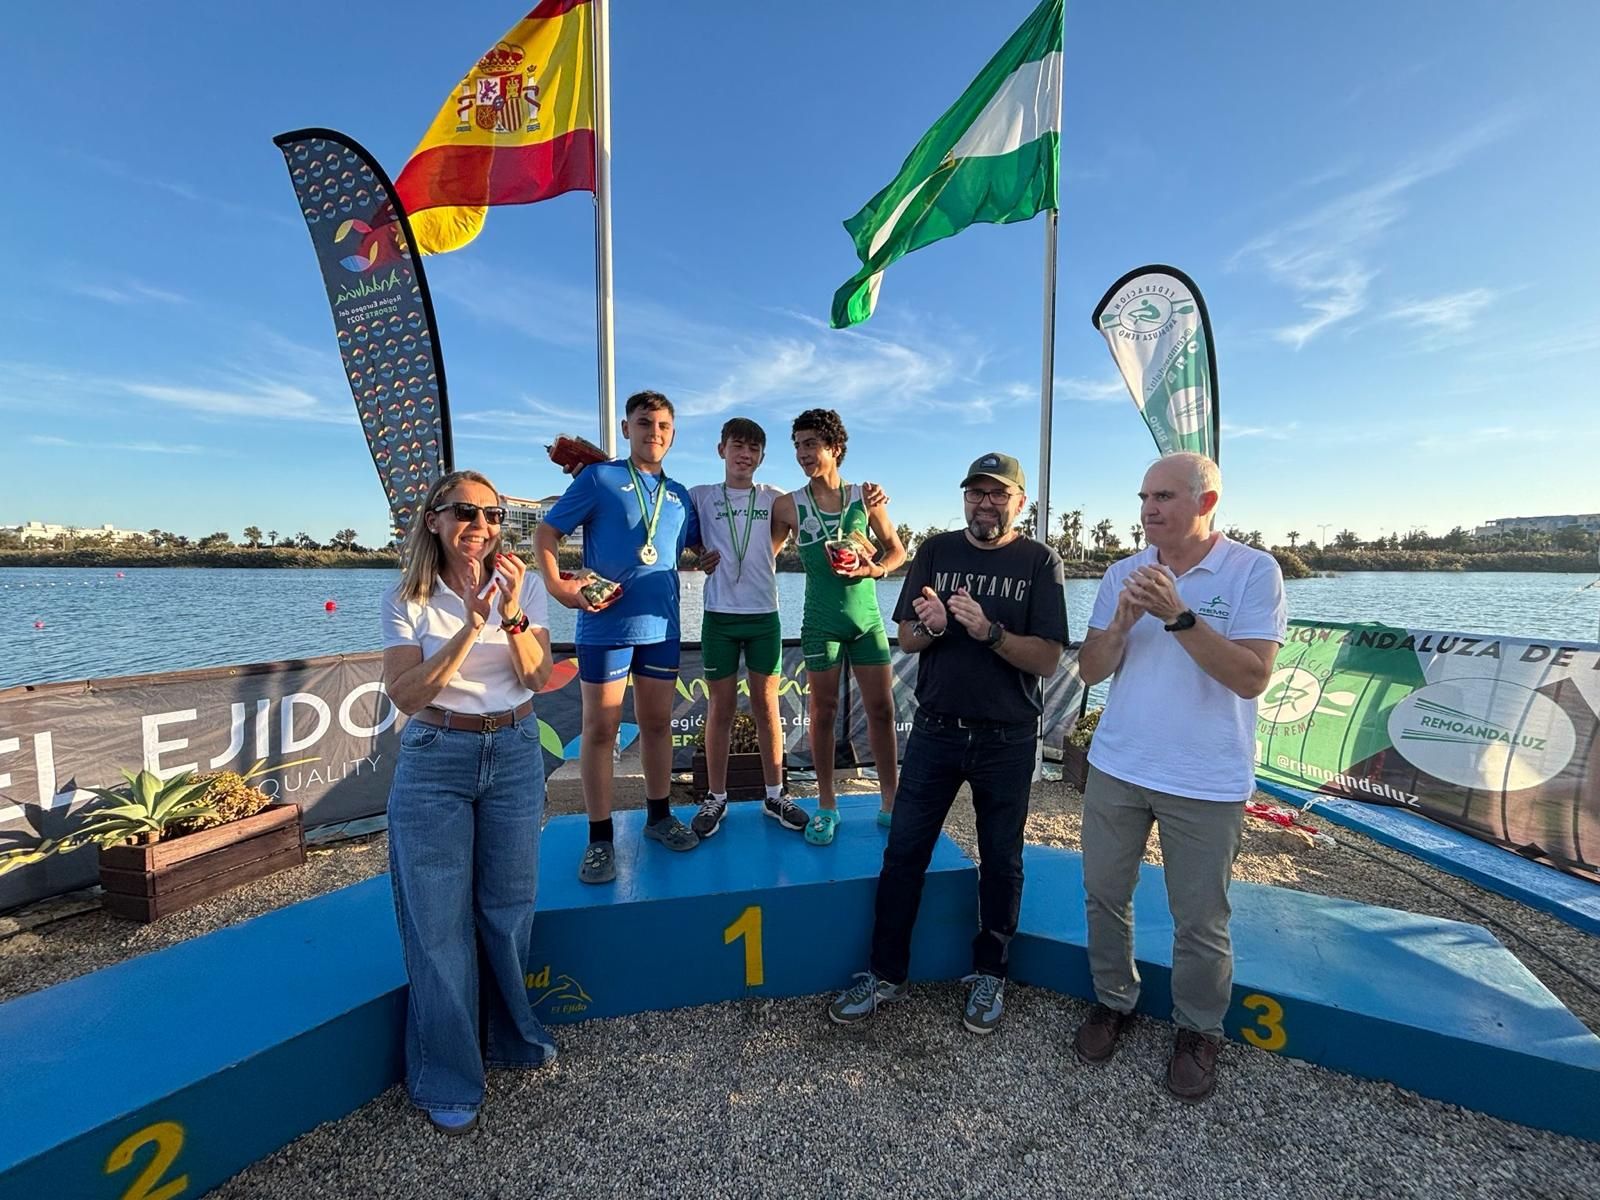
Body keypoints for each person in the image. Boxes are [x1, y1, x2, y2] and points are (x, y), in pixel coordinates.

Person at [827, 453, 1067, 1034]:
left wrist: (988, 632)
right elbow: (907, 639)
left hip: (1007, 737)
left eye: (998, 494)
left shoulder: (1040, 561)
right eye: (976, 493)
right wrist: (935, 626)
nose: (985, 503)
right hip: (936, 731)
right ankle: (885, 973)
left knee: (1002, 860)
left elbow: (1050, 656)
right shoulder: (936, 550)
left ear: (1020, 502)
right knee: (904, 852)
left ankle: (991, 973)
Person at [1072, 451, 1286, 1103]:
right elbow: (1088, 671)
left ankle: (1198, 1030)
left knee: (1199, 917)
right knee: (1105, 892)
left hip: (1206, 777)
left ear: (1206, 502)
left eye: (1164, 496)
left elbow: (1251, 677)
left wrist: (1179, 616)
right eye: (1144, 497)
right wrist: (1122, 623)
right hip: (1118, 764)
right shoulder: (1123, 573)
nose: (1148, 509)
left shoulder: (1254, 571)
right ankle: (1114, 1001)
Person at [380, 469, 557, 1135]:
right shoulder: (408, 598)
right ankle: (450, 1074)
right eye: (465, 513)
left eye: (492, 516)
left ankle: (513, 1037)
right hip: (435, 760)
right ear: (434, 520)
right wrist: (469, 626)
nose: (480, 527)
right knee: (436, 922)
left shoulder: (528, 587)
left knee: (509, 906)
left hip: (512, 751)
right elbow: (407, 694)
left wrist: (508, 614)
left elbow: (538, 675)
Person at [534, 390, 705, 884]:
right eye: (645, 423)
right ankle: (600, 837)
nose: (655, 433)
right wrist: (560, 587)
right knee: (601, 731)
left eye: (664, 426)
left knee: (656, 726)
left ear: (673, 434)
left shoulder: (679, 495)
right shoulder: (599, 477)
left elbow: (692, 546)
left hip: (662, 628)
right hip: (604, 626)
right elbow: (546, 535)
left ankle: (658, 817)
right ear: (627, 428)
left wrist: (713, 556)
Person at [770, 408, 906, 845]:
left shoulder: (865, 498)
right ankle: (827, 806)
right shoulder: (788, 505)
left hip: (867, 622)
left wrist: (875, 571)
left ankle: (891, 802)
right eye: (797, 445)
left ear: (835, 448)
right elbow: (761, 555)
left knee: (882, 712)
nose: (802, 453)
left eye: (810, 444)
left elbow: (897, 550)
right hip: (820, 625)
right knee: (822, 715)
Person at [686, 418, 810, 836]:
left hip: (764, 617)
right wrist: (697, 552)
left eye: (754, 449)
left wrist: (863, 500)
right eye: (738, 446)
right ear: (721, 450)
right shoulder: (700, 496)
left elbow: (815, 510)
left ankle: (775, 794)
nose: (746, 455)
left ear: (761, 456)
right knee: (719, 709)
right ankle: (715, 799)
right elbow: (674, 532)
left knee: (767, 708)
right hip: (719, 616)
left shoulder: (773, 496)